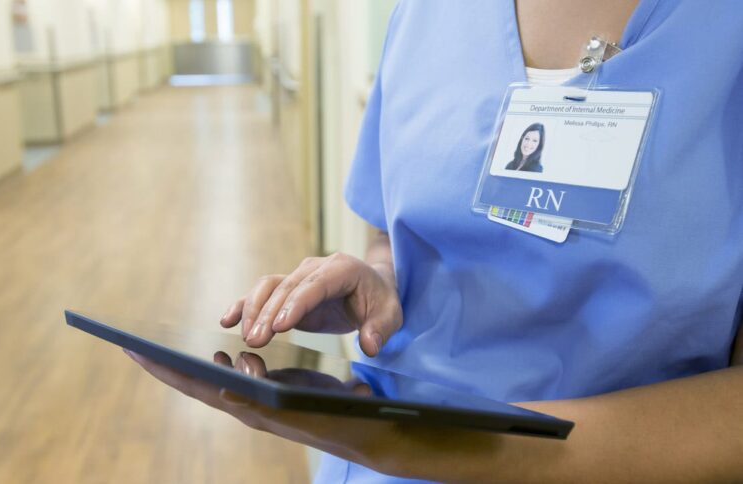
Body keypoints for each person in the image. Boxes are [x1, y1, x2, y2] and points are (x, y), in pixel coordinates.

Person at [127, 1, 743, 482]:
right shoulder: (426, 13)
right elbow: (389, 228)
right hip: (373, 464)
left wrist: (426, 447)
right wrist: (380, 280)